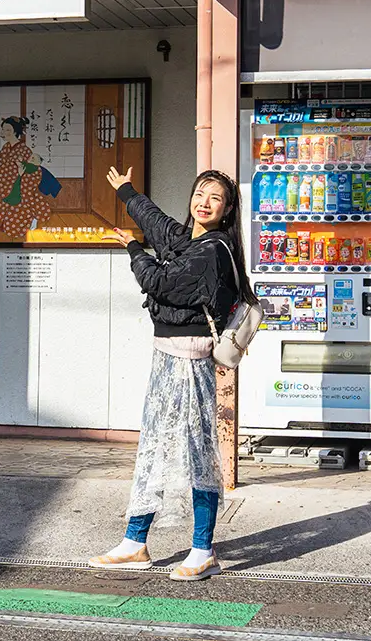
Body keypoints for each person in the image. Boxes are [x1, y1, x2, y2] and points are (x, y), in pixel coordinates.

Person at [88, 167, 257, 581]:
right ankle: (135, 542)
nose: (204, 202)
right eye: (200, 193)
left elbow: (160, 282)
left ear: (227, 209)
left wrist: (132, 247)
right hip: (165, 359)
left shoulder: (213, 251)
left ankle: (203, 550)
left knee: (198, 455)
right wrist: (127, 192)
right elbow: (160, 227)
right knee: (154, 449)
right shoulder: (193, 240)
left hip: (190, 363)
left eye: (214, 198)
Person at [0, 116, 52, 237]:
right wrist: (8, 172)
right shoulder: (4, 150)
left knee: (14, 228)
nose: (3, 133)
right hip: (6, 187)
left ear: (16, 131)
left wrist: (18, 174)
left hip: (21, 189)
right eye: (3, 129)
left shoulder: (25, 151)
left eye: (7, 130)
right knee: (0, 224)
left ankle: (32, 217)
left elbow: (34, 171)